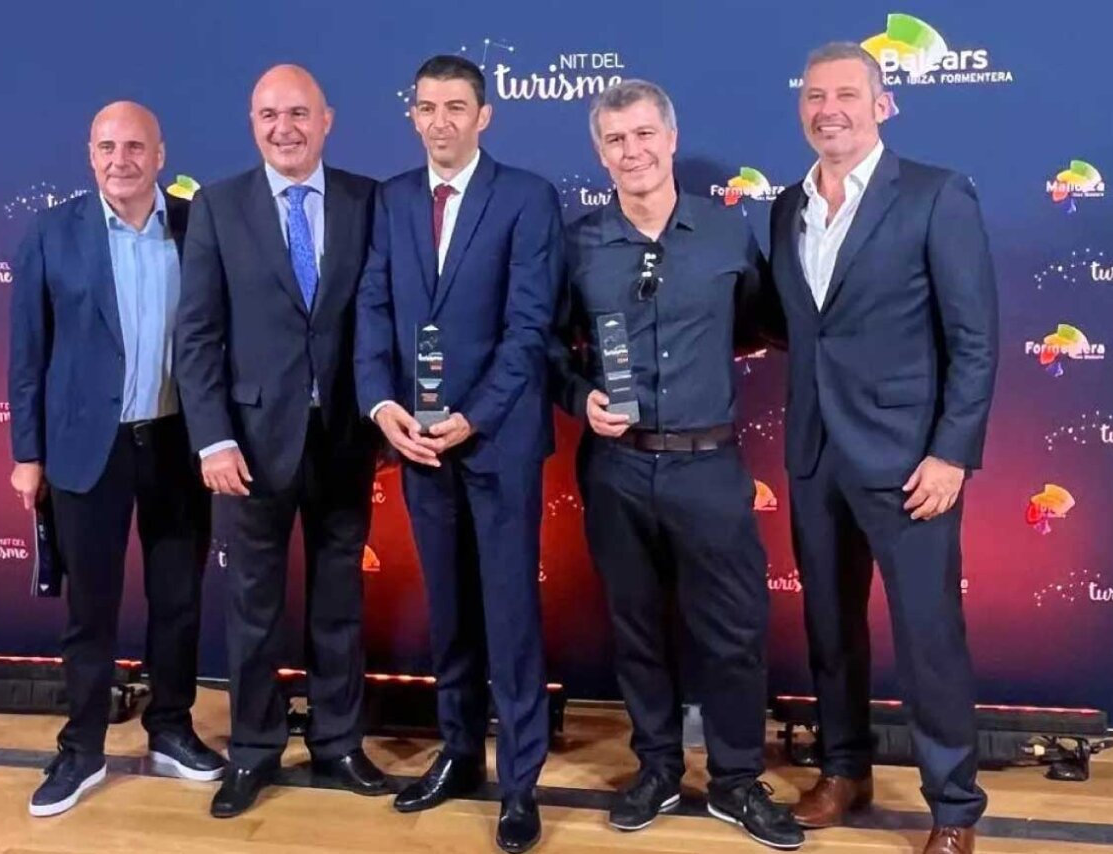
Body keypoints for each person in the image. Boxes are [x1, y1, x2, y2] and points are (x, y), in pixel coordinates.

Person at [549, 79, 804, 851]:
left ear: (669, 137)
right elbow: (552, 347)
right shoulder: (581, 243)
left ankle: (733, 779)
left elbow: (765, 324)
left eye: (643, 135)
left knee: (732, 631)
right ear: (601, 153)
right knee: (636, 630)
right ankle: (656, 767)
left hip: (709, 466)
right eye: (615, 141)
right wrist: (579, 394)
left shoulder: (728, 234)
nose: (632, 151)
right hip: (617, 470)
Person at [767, 43, 998, 854]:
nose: (828, 108)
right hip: (814, 453)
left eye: (846, 95)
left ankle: (954, 810)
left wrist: (952, 454)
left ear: (882, 105)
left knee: (930, 637)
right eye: (814, 95)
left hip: (910, 462)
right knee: (830, 629)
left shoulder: (936, 195)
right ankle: (844, 770)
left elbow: (973, 340)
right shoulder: (783, 207)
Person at [354, 54, 562, 854]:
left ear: (485, 116)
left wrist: (473, 417)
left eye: (456, 107)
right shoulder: (394, 199)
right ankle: (458, 755)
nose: (440, 120)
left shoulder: (526, 198)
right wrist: (383, 409)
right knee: (450, 610)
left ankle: (520, 784)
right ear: (412, 115)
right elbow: (373, 310)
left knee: (509, 614)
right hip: (416, 446)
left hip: (497, 442)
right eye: (427, 107)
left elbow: (529, 328)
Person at [174, 65, 387, 819]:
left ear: (328, 119)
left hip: (344, 441)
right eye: (268, 114)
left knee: (339, 603)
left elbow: (383, 316)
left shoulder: (370, 199)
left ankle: (340, 744)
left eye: (298, 112)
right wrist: (211, 441)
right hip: (249, 450)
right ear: (250, 121)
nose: (283, 127)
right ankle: (254, 752)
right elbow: (196, 335)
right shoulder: (218, 206)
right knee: (252, 610)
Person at [9, 101, 222, 817]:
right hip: (83, 451)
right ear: (88, 153)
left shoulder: (199, 228)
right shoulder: (52, 233)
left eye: (135, 146)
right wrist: (26, 454)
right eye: (107, 146)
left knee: (179, 602)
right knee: (90, 611)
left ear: (161, 154)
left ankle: (170, 728)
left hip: (175, 444)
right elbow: (27, 356)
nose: (120, 159)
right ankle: (83, 748)